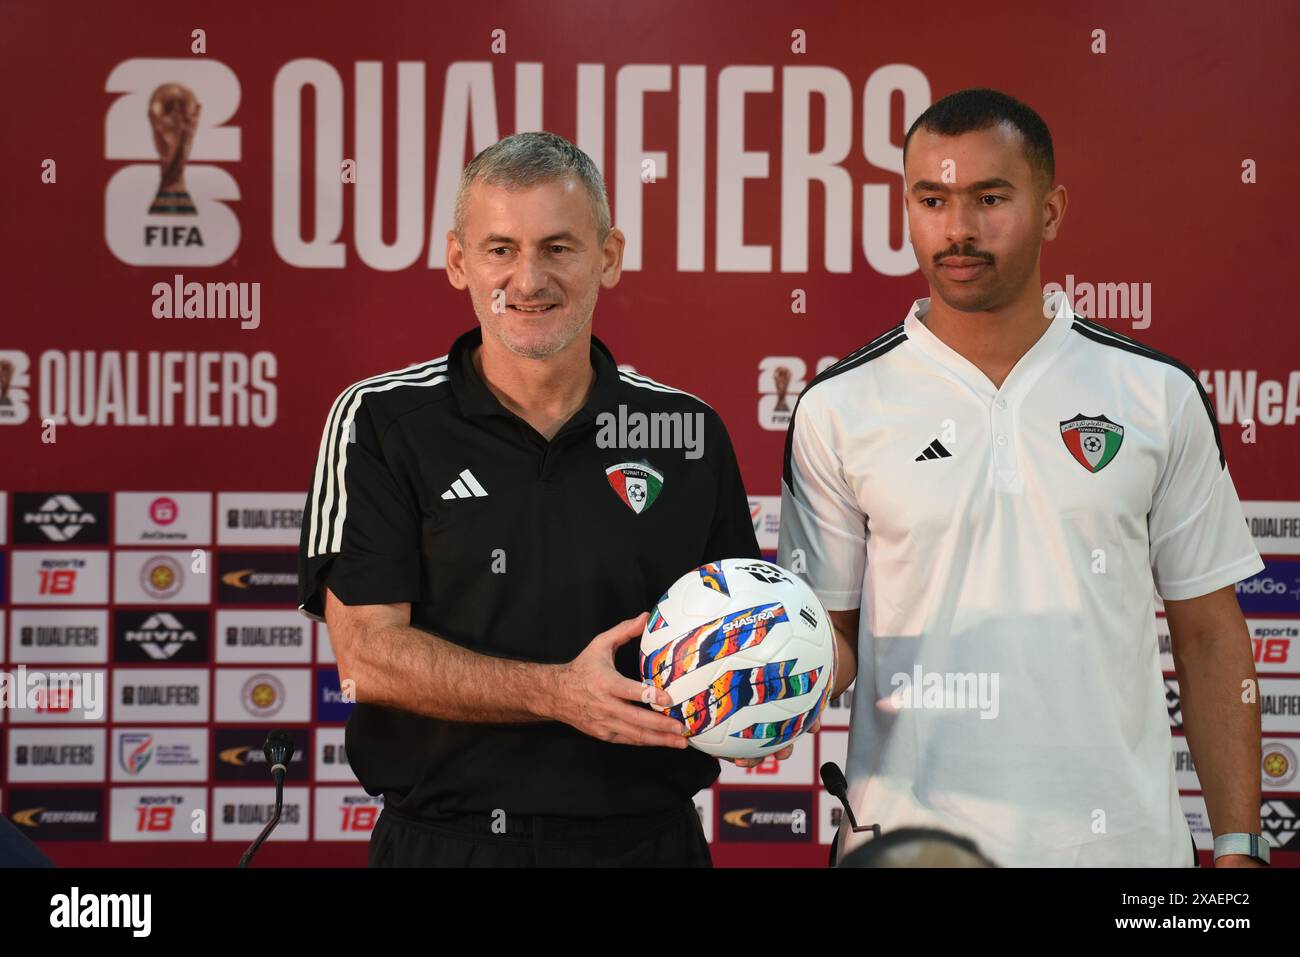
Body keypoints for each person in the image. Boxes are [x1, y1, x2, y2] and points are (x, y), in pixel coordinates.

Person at [778, 88, 1269, 867]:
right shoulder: (839, 406)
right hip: (909, 848)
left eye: (990, 197)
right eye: (931, 199)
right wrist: (761, 663)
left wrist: (1240, 847)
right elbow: (832, 638)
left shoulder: (1154, 393)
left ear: (1051, 209)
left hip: (1125, 853)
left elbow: (1209, 632)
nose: (959, 229)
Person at [297, 131, 761, 866]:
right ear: (458, 262)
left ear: (608, 256)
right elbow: (368, 656)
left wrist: (757, 694)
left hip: (646, 845)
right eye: (500, 249)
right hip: (448, 846)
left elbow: (734, 633)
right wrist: (557, 693)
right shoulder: (381, 421)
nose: (529, 278)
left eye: (559, 248)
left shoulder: (687, 431)